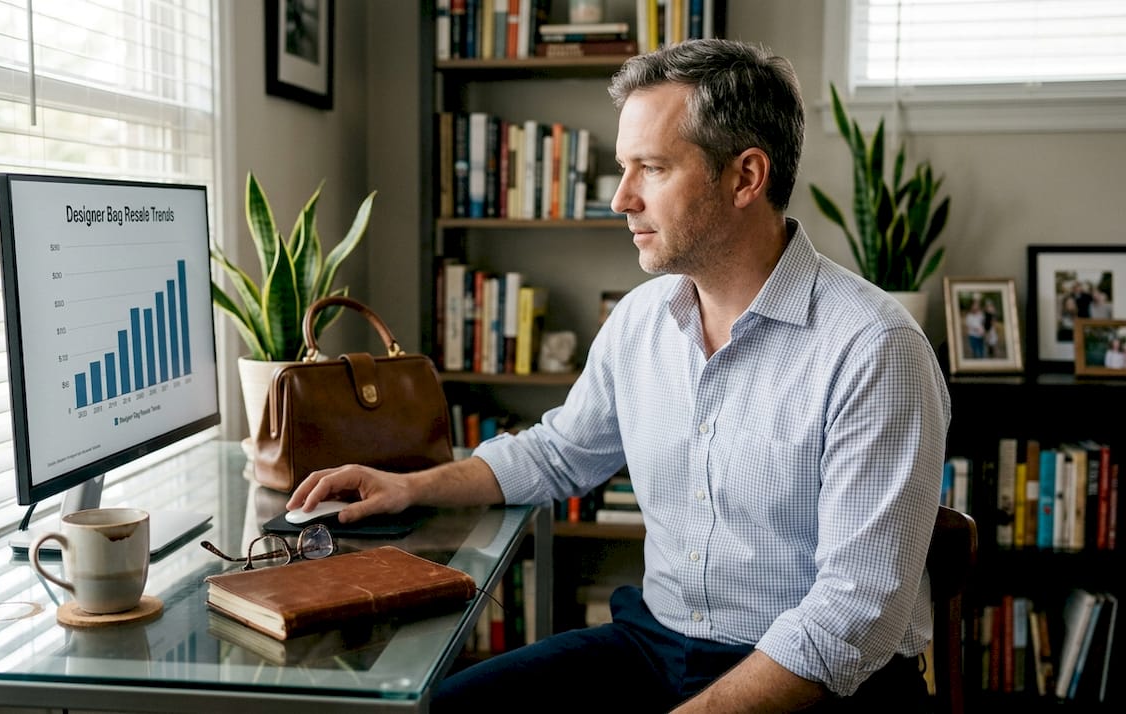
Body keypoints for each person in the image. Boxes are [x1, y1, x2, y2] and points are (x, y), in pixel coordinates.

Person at [288, 38, 949, 713]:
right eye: (622, 168)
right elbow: (558, 454)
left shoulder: (875, 348)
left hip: (817, 685)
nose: (621, 199)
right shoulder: (641, 320)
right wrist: (410, 486)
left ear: (746, 177)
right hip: (654, 646)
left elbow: (852, 614)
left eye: (652, 169)